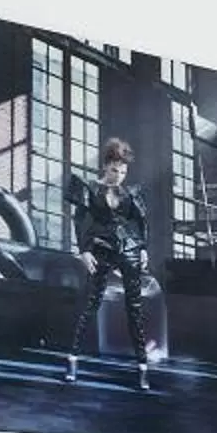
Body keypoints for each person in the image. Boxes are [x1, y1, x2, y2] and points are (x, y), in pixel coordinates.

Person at [64, 137, 160, 389]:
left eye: (123, 171)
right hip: (101, 252)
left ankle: (142, 369)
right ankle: (72, 360)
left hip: (129, 252)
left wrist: (142, 249)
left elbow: (141, 223)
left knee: (134, 309)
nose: (119, 176)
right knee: (91, 304)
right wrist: (84, 251)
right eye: (115, 170)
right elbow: (79, 222)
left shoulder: (130, 193)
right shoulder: (90, 188)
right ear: (106, 166)